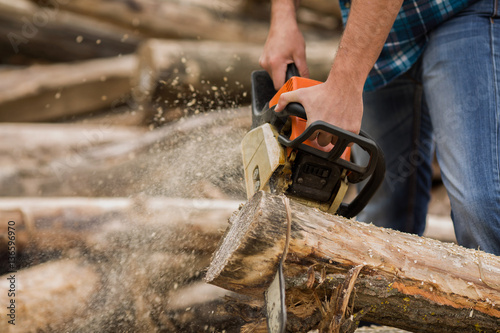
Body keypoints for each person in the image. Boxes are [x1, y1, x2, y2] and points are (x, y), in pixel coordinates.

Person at [259, 0, 500, 256]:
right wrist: (283, 19)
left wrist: (344, 85)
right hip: (375, 26)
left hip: (457, 9)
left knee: (480, 205)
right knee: (380, 214)